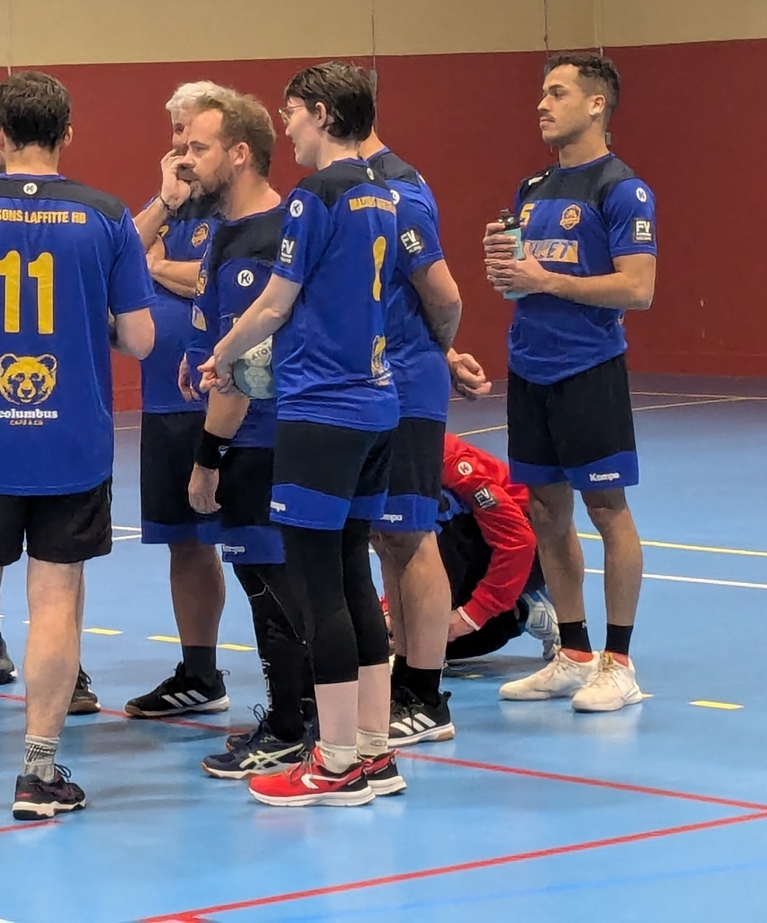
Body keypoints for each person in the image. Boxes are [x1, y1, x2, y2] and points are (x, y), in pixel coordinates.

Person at [0, 71, 154, 818]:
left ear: (2, 134)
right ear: (67, 132)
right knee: (56, 602)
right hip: (72, 441)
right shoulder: (107, 214)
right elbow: (140, 338)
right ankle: (39, 776)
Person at [203, 62, 401, 807]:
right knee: (354, 575)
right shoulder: (381, 191)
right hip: (376, 403)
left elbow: (274, 304)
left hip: (322, 410)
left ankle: (336, 762)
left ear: (321, 113)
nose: (285, 127)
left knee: (323, 587)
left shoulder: (314, 196)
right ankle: (375, 752)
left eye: (291, 113)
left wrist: (222, 356)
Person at [484, 52, 656, 713]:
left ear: (596, 104)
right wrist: (506, 266)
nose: (542, 104)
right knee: (545, 511)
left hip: (589, 370)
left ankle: (620, 662)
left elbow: (638, 288)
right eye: (542, 93)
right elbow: (526, 277)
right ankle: (575, 653)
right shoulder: (531, 188)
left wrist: (546, 280)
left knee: (606, 510)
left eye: (557, 93)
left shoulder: (622, 189)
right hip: (529, 367)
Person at [173, 88, 313, 780]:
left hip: (265, 439)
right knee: (265, 580)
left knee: (274, 584)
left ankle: (294, 726)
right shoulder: (227, 231)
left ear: (239, 154)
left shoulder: (265, 237)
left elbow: (244, 372)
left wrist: (208, 459)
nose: (183, 159)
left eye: (197, 147)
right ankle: (296, 718)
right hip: (254, 435)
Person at [358, 119, 470, 746]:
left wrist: (437, 351)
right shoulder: (357, 188)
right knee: (387, 538)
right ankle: (405, 679)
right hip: (373, 379)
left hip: (403, 380)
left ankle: (427, 696)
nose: (288, 126)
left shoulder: (398, 190)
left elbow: (444, 296)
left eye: (293, 112)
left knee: (412, 533)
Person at [126, 81, 232, 720]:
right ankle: (200, 675)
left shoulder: (242, 210)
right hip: (166, 402)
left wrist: (159, 268)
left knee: (258, 545)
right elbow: (118, 261)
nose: (183, 151)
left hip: (232, 402)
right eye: (176, 137)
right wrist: (163, 205)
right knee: (185, 542)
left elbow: (219, 280)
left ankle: (299, 677)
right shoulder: (164, 207)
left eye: (194, 138)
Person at [436, 435, 558, 663]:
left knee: (425, 642)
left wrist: (471, 615)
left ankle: (525, 607)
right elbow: (396, 549)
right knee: (416, 645)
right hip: (483, 546)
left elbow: (519, 541)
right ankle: (521, 611)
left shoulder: (447, 462)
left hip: (529, 550)